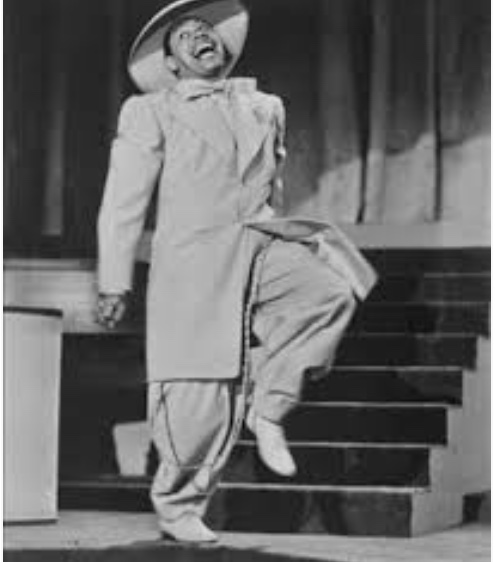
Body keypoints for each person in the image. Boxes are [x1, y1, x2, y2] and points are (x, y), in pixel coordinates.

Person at [96, 0, 376, 544]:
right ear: (170, 63)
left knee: (327, 292)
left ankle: (269, 409)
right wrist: (114, 280)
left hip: (258, 240)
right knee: (196, 398)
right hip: (194, 262)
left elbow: (271, 184)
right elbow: (123, 200)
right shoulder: (150, 110)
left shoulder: (264, 106)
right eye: (184, 35)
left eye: (206, 29)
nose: (200, 36)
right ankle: (179, 506)